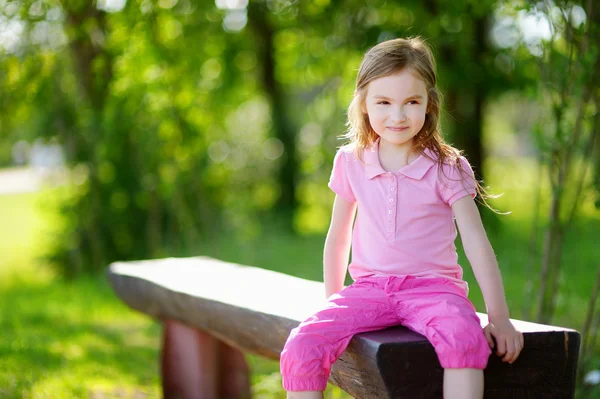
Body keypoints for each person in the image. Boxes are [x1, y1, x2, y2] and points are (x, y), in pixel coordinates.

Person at [279, 36, 524, 399]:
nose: (398, 115)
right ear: (363, 103)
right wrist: (333, 303)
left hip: (434, 290)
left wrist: (500, 318)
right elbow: (338, 236)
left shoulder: (447, 166)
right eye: (384, 102)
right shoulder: (351, 160)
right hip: (369, 289)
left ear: (429, 103)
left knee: (465, 338)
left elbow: (476, 242)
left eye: (412, 102)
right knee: (302, 345)